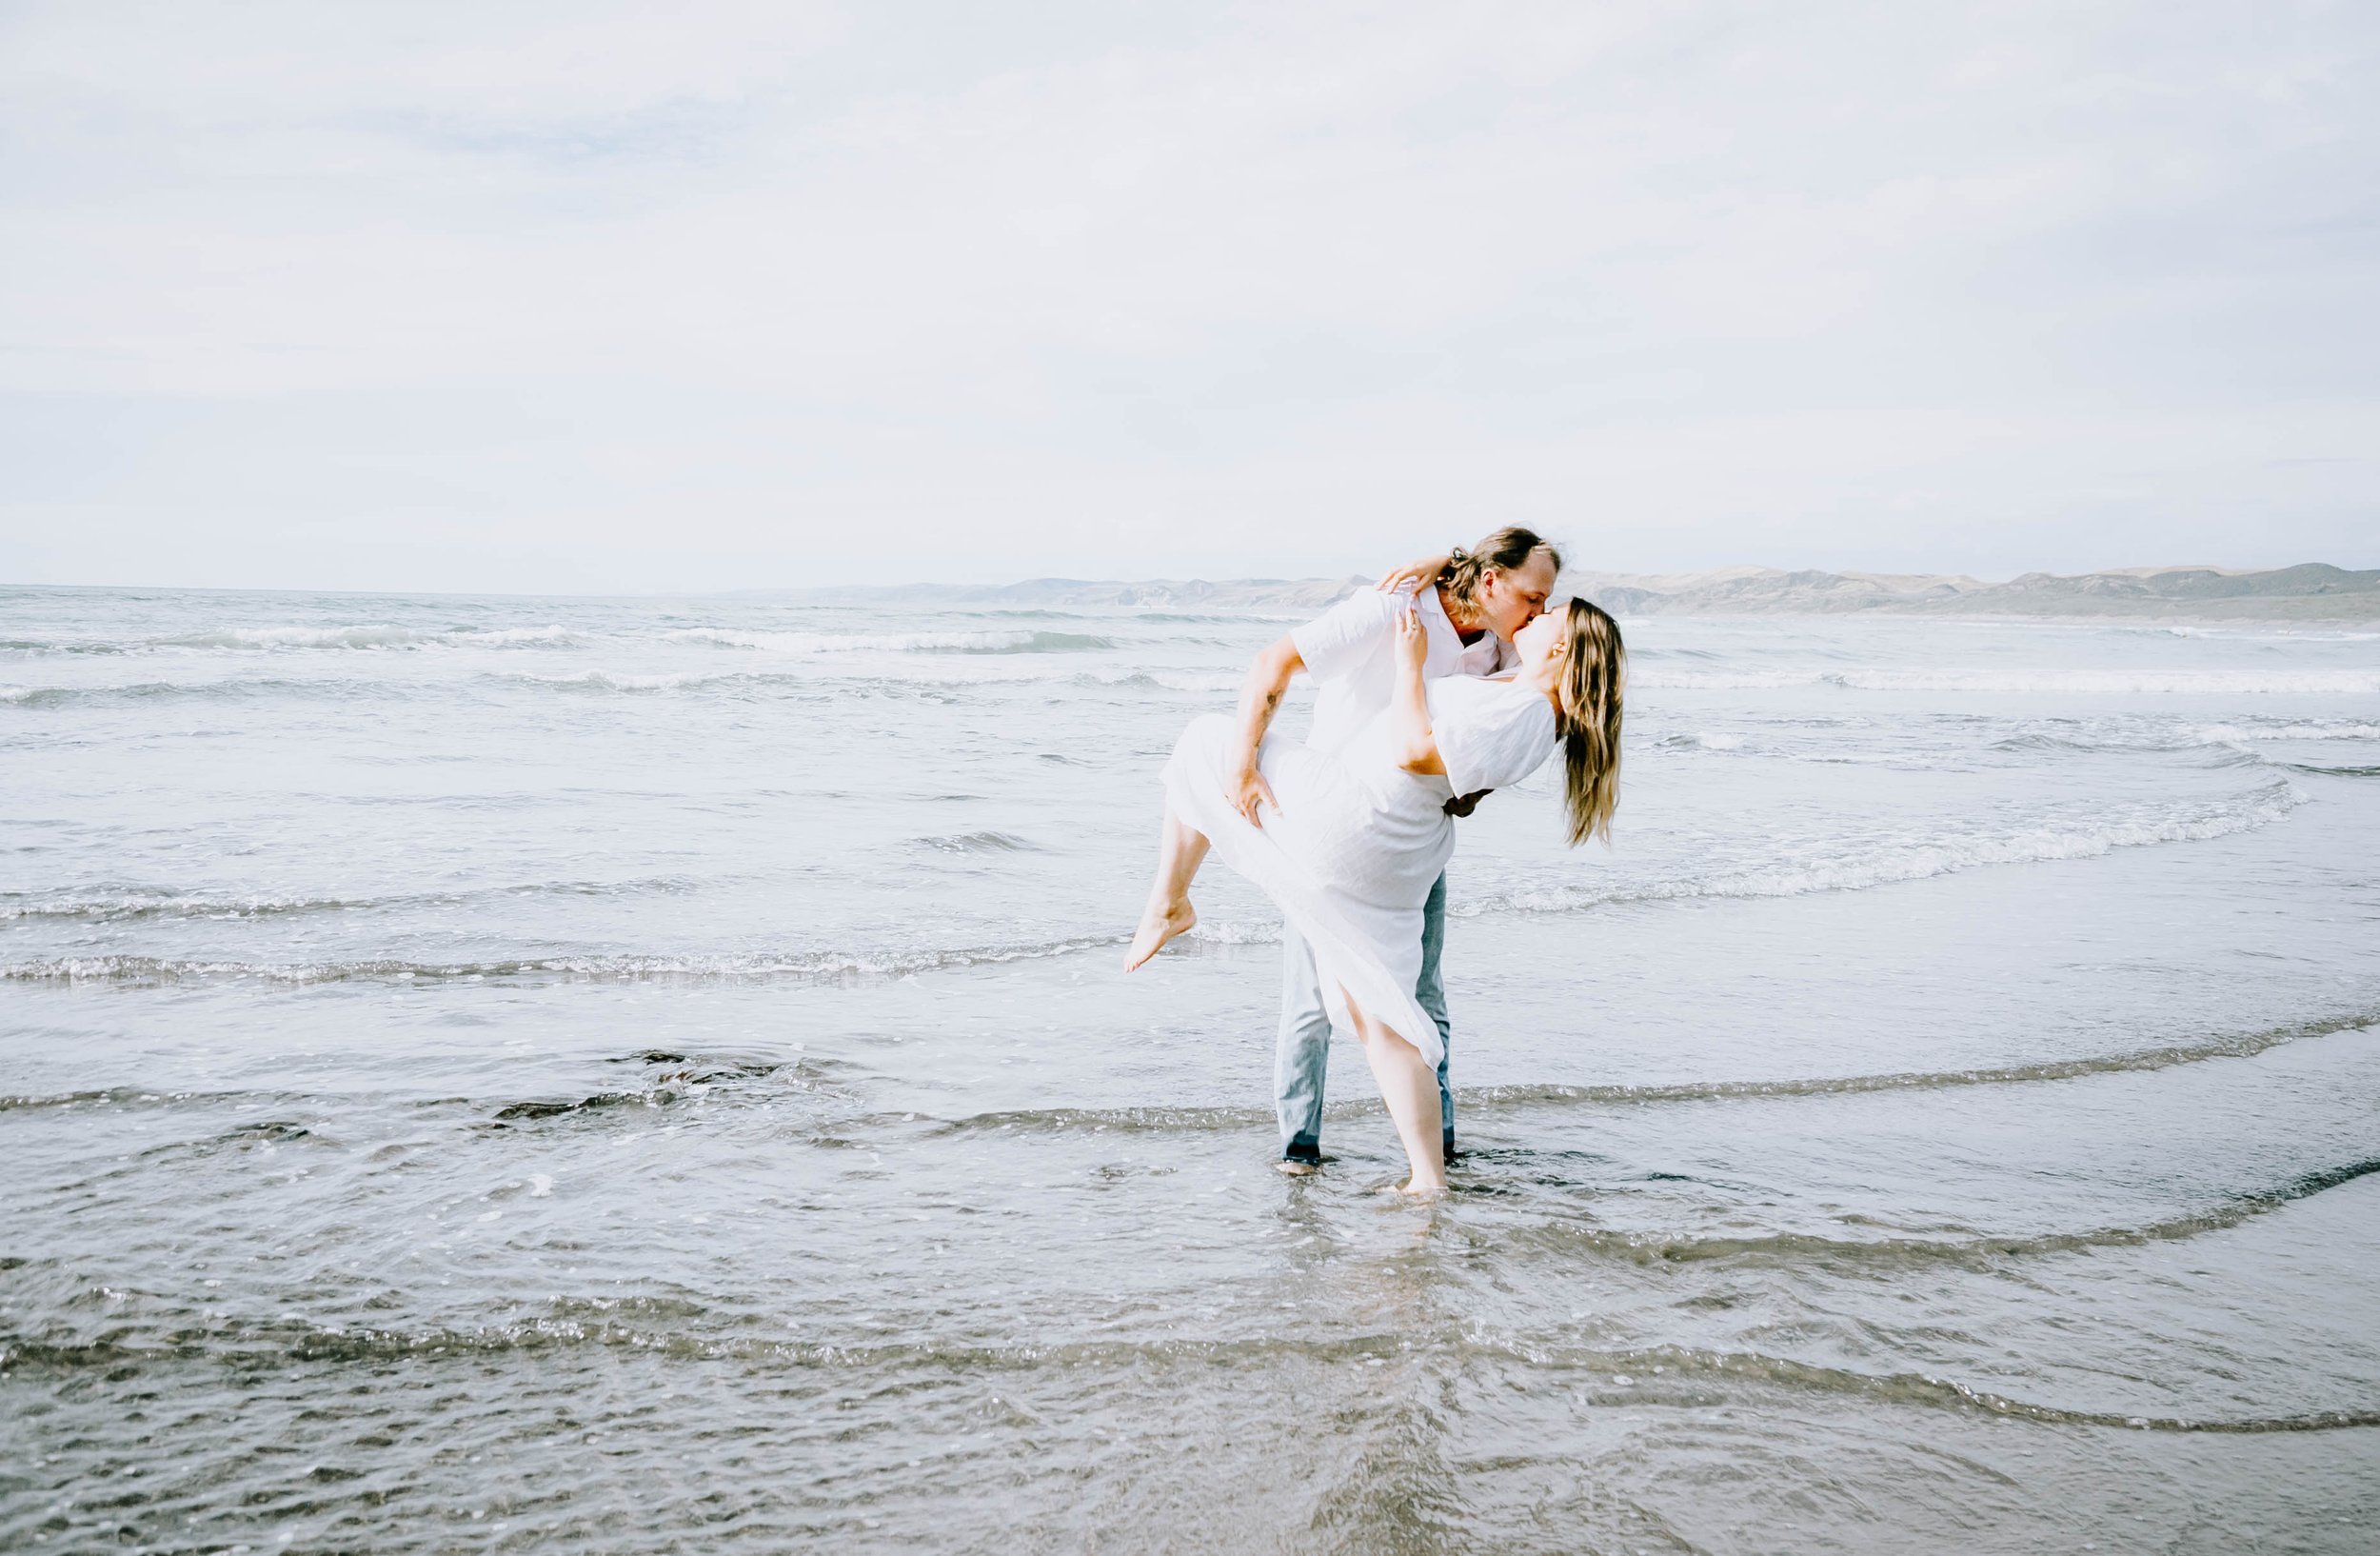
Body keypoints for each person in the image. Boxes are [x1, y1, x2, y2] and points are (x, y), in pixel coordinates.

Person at [1122, 596, 1626, 1197]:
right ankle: (1428, 1179)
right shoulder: (1524, 696)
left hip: (1364, 821)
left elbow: (1413, 750)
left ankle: (1170, 902)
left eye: (1547, 615)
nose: (1534, 617)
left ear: (1563, 645)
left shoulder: (1530, 712)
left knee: (1207, 738)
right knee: (1382, 1015)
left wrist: (1410, 664)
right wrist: (1444, 561)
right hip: (1398, 847)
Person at [1229, 529, 1562, 1174]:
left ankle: (1439, 1149)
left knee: (1424, 996)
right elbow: (1273, 662)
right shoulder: (1393, 606)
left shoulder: (1504, 646)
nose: (1540, 611)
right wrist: (1243, 765)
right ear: (1491, 580)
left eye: (1546, 602)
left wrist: (1471, 791)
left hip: (1414, 846)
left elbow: (1503, 735)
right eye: (1532, 596)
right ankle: (1299, 1151)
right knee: (1312, 1001)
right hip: (1333, 832)